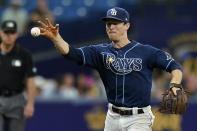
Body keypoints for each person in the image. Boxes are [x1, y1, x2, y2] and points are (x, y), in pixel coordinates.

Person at [37, 7, 183, 131]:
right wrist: (56, 39)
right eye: (108, 24)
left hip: (139, 118)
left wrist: (175, 83)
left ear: (127, 25)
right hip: (112, 116)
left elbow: (174, 66)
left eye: (115, 23)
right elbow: (72, 54)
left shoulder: (146, 51)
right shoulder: (100, 51)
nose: (111, 27)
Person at [0, 20, 37, 131]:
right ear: (1, 33)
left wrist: (30, 103)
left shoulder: (24, 54)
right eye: (6, 32)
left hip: (17, 100)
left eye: (12, 33)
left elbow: (31, 80)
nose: (9, 36)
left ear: (17, 34)